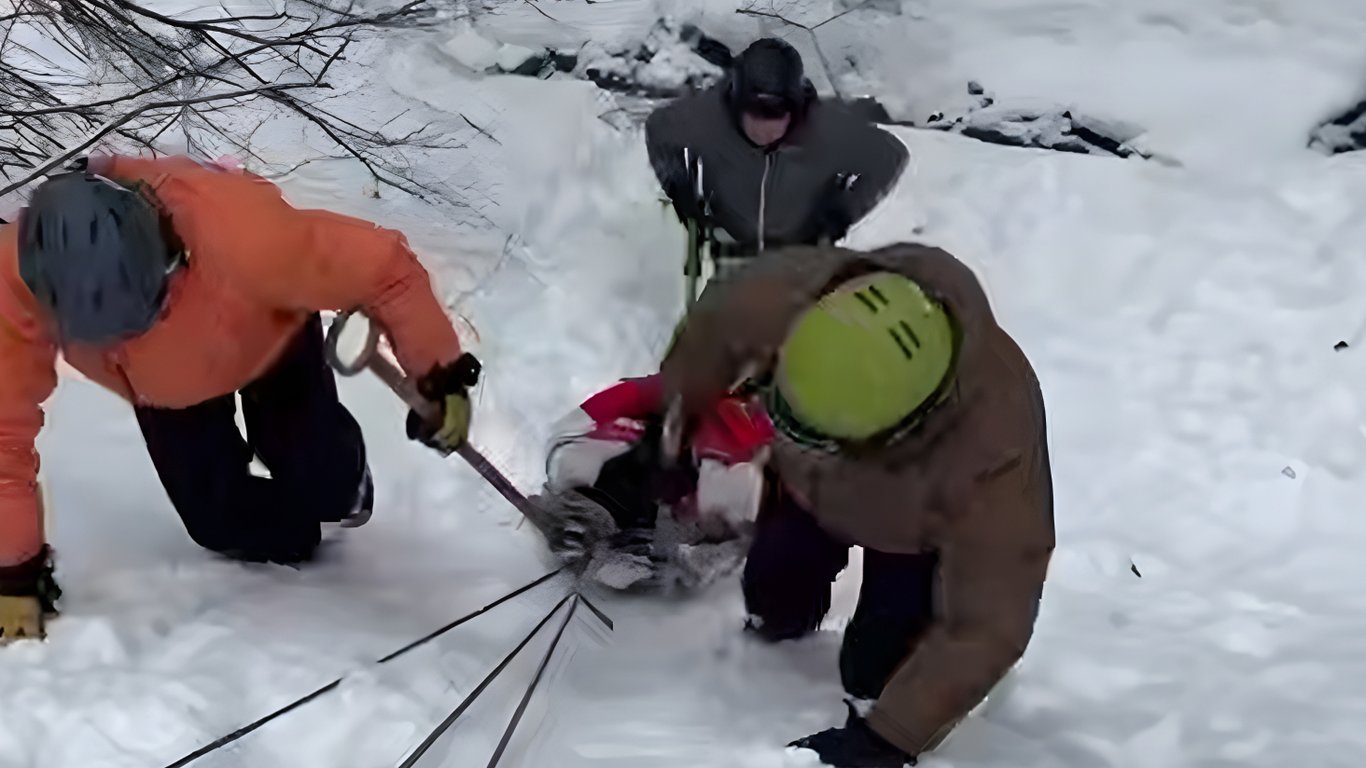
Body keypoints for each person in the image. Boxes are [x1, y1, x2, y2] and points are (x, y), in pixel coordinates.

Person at [0, 155, 480, 643]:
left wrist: (440, 377)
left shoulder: (247, 237)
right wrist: (16, 575)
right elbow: (3, 439)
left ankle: (342, 489)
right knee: (220, 522)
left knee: (323, 477)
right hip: (168, 391)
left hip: (267, 338)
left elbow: (386, 271)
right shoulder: (14, 288)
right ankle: (301, 542)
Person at [657, 241, 1055, 766]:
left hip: (913, 530)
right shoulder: (791, 292)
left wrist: (886, 739)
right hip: (805, 491)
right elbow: (711, 336)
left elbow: (987, 626)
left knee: (879, 678)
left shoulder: (995, 450)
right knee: (773, 604)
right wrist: (670, 437)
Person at [645, 37, 909, 276]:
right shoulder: (709, 116)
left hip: (803, 250)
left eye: (777, 117)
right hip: (732, 243)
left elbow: (890, 155)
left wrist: (841, 211)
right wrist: (678, 186)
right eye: (754, 116)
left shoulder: (825, 128)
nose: (765, 131)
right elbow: (658, 128)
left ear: (794, 108)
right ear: (737, 105)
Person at [529, 373, 773, 591]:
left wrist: (687, 563)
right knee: (645, 445)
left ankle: (627, 550)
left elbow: (747, 527)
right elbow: (577, 429)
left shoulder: (752, 444)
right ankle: (584, 523)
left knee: (732, 483)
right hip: (628, 502)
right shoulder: (669, 392)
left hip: (680, 536)